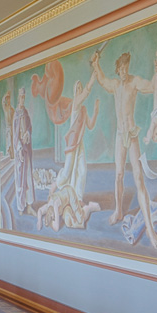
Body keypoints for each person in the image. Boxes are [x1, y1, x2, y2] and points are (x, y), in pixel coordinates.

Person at [90, 49, 157, 248]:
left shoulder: (134, 82)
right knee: (119, 175)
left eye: (126, 68)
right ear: (117, 69)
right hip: (120, 136)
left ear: (128, 67)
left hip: (131, 134)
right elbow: (102, 80)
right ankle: (119, 211)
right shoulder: (115, 85)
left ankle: (150, 228)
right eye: (121, 69)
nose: (123, 72)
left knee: (138, 178)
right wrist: (96, 63)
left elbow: (152, 86)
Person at [35, 77, 101, 231]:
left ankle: (78, 198)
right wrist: (93, 78)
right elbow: (85, 94)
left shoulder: (82, 109)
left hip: (80, 143)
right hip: (72, 143)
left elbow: (90, 125)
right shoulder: (76, 104)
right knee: (66, 172)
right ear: (75, 92)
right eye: (77, 89)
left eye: (80, 88)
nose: (79, 91)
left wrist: (96, 110)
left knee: (82, 170)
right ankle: (55, 185)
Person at [11, 87, 34, 215]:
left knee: (28, 177)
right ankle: (21, 206)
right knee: (20, 178)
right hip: (20, 151)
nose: (22, 99)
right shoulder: (16, 115)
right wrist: (19, 148)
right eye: (21, 97)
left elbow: (29, 127)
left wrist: (27, 134)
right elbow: (15, 135)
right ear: (18, 98)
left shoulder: (25, 113)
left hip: (27, 150)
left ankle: (29, 205)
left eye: (24, 97)